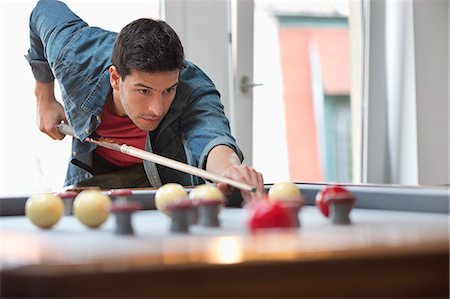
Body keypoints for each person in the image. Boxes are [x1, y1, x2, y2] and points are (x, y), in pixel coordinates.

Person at [26, 0, 264, 199]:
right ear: (116, 78)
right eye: (144, 91)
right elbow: (44, 9)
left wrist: (231, 170)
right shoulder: (75, 56)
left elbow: (211, 135)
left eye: (168, 90)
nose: (157, 108)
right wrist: (44, 96)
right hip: (96, 170)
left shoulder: (192, 88)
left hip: (162, 177)